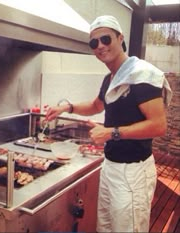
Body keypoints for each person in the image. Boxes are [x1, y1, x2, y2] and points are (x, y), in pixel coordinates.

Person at [45, 15, 172, 232]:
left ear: (120, 38)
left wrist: (112, 133)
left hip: (133, 172)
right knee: (105, 228)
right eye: (94, 43)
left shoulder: (140, 75)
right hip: (111, 166)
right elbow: (96, 105)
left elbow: (158, 126)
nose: (100, 46)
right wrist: (67, 107)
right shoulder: (112, 77)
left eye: (106, 39)